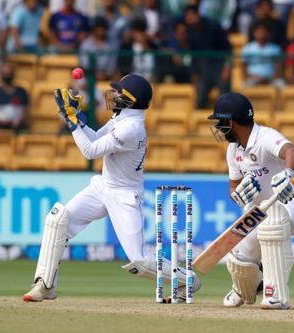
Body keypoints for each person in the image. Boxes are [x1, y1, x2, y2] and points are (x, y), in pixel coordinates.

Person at [23, 74, 201, 302]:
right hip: (103, 186)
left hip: (125, 195)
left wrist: (71, 121)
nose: (114, 95)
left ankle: (189, 281)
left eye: (119, 93)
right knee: (58, 221)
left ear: (130, 100)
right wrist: (76, 118)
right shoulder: (121, 119)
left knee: (140, 260)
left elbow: (89, 151)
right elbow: (96, 138)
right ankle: (44, 285)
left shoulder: (132, 128)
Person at [208, 92, 294, 309]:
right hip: (259, 211)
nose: (218, 127)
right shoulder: (233, 150)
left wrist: (287, 173)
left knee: (272, 226)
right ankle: (246, 286)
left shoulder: (265, 137)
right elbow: (233, 186)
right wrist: (237, 194)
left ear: (231, 121)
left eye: (220, 122)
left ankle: (275, 294)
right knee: (238, 259)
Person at [184, 4, 232, 109]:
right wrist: (194, 72)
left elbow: (228, 49)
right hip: (203, 70)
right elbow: (193, 55)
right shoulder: (190, 33)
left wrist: (227, 68)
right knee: (199, 101)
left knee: (226, 100)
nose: (190, 19)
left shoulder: (214, 26)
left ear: (198, 15)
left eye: (192, 15)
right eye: (188, 16)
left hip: (219, 67)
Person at [0, 63, 29, 130]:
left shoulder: (21, 92)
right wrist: (1, 121)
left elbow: (25, 113)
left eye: (9, 74)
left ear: (13, 74)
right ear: (1, 75)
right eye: (5, 74)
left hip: (17, 127)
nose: (8, 76)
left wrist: (16, 122)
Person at [241, 21, 282, 87]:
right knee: (245, 86)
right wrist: (252, 77)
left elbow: (279, 68)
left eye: (264, 30)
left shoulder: (275, 48)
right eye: (259, 30)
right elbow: (243, 68)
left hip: (271, 79)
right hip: (252, 78)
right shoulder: (247, 48)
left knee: (281, 85)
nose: (262, 32)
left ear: (268, 33)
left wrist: (271, 77)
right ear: (254, 33)